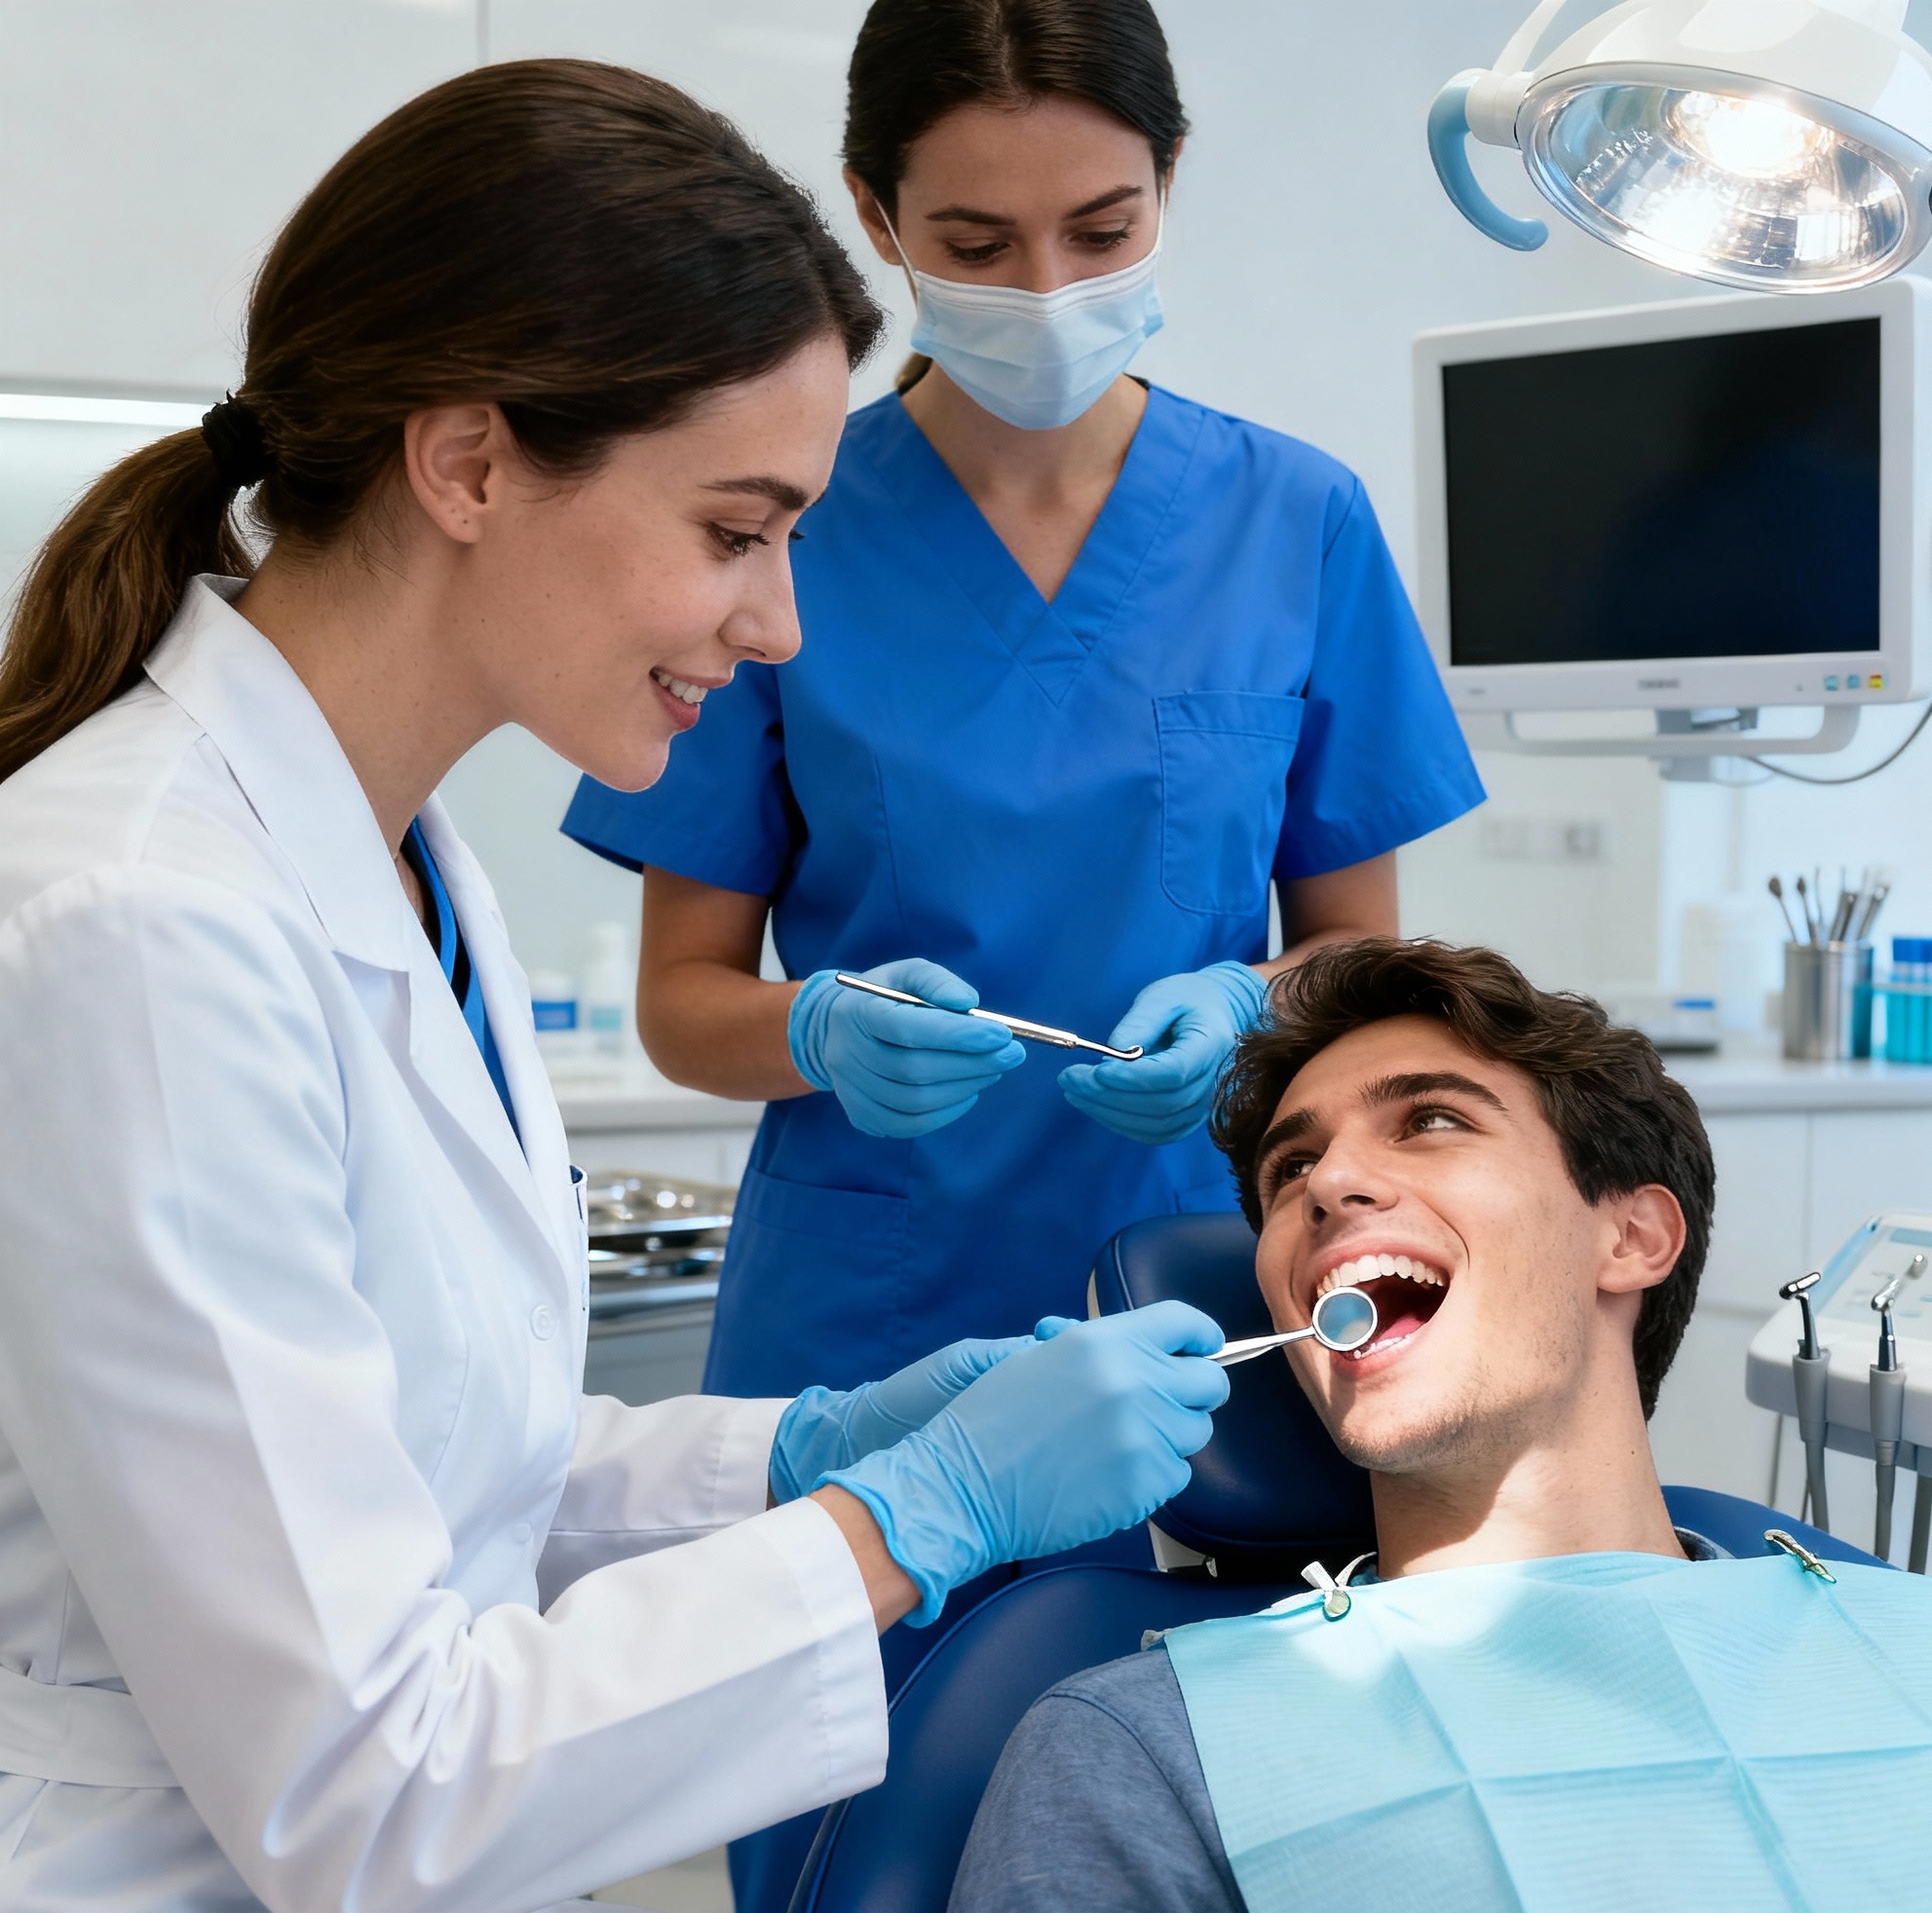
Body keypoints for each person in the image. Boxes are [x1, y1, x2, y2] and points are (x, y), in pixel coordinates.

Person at [0, 61, 1232, 1913]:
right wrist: (909, 1521)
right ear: (472, 463)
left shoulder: (398, 867)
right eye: (738, 527)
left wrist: (796, 1453)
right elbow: (365, 1786)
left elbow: (430, 1465)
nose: (781, 627)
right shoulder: (141, 923)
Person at [560, 0, 1486, 1410]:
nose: (1046, 289)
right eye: (978, 246)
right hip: (867, 1312)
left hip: (1203, 1288)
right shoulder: (774, 530)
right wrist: (818, 1029)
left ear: (1168, 179)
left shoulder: (1294, 521)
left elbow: (1356, 955)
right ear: (874, 214)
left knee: (1196, 1634)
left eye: (1103, 233)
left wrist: (1251, 1003)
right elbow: (682, 1006)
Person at [942, 940, 1932, 1913]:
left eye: (1430, 1120)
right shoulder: (1139, 1756)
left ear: (1629, 1234)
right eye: (1288, 1168)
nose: (1328, 1183)